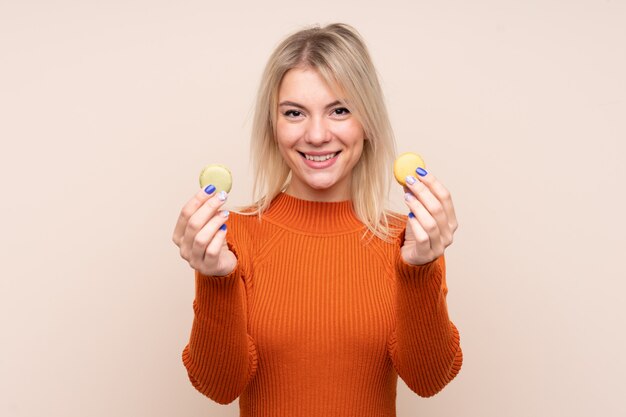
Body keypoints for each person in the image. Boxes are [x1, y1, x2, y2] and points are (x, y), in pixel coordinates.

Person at [172, 23, 462, 417]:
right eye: (294, 113)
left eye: (339, 110)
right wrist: (215, 279)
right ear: (273, 128)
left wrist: (420, 269)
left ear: (368, 123)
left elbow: (430, 379)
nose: (317, 134)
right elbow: (218, 387)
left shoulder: (409, 240)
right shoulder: (231, 238)